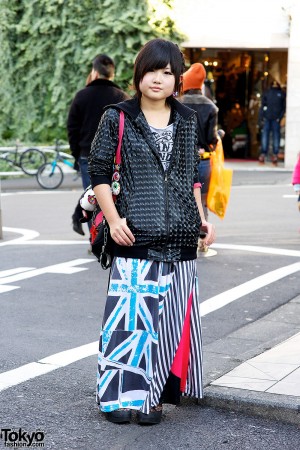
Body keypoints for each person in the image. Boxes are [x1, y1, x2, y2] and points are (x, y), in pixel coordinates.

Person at [88, 38, 216, 425]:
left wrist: (201, 218)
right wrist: (113, 220)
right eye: (152, 70)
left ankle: (152, 397)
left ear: (177, 79)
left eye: (167, 72)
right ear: (138, 73)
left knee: (167, 324)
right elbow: (98, 174)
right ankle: (116, 398)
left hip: (180, 236)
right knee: (129, 322)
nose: (159, 79)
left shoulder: (187, 120)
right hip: (134, 234)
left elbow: (191, 177)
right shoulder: (118, 116)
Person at [67, 54, 129, 235]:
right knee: (115, 197)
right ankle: (112, 234)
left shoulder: (82, 96)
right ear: (113, 74)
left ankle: (95, 239)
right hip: (116, 158)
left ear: (94, 72)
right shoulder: (122, 97)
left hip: (87, 155)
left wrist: (76, 154)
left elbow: (72, 128)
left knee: (92, 196)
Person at [181, 63, 219, 257]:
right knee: (201, 200)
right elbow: (212, 138)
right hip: (202, 160)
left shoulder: (178, 103)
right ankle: (201, 241)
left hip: (180, 160)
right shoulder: (211, 106)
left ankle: (182, 238)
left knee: (181, 198)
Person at [258, 80, 286, 165]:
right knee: (266, 136)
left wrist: (279, 117)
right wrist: (262, 117)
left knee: (275, 137)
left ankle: (274, 154)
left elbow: (283, 107)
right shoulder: (268, 93)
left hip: (275, 119)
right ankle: (264, 153)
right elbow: (263, 105)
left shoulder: (281, 94)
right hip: (268, 118)